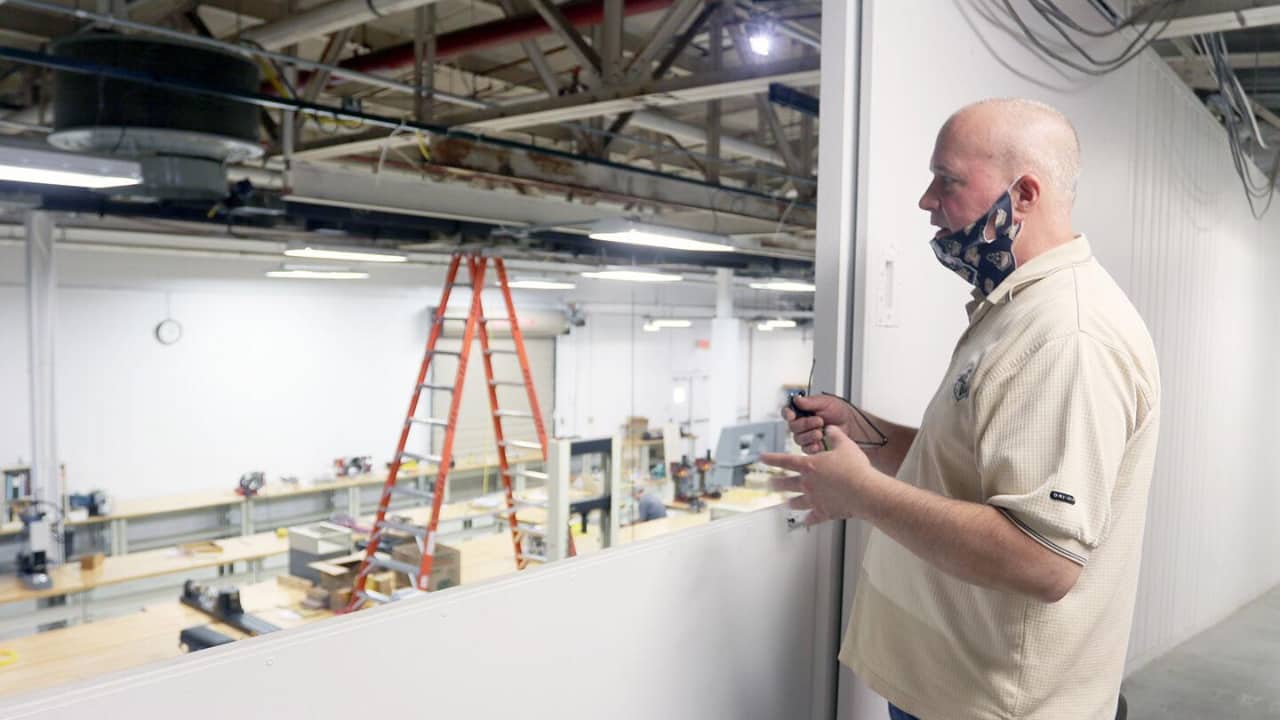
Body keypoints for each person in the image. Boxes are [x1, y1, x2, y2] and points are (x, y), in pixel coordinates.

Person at [762, 98, 1160, 720]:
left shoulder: (1067, 335)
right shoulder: (1015, 309)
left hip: (996, 706)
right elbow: (973, 468)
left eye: (947, 179)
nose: (927, 200)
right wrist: (865, 435)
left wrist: (860, 495)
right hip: (955, 689)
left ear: (1024, 194)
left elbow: (1044, 560)